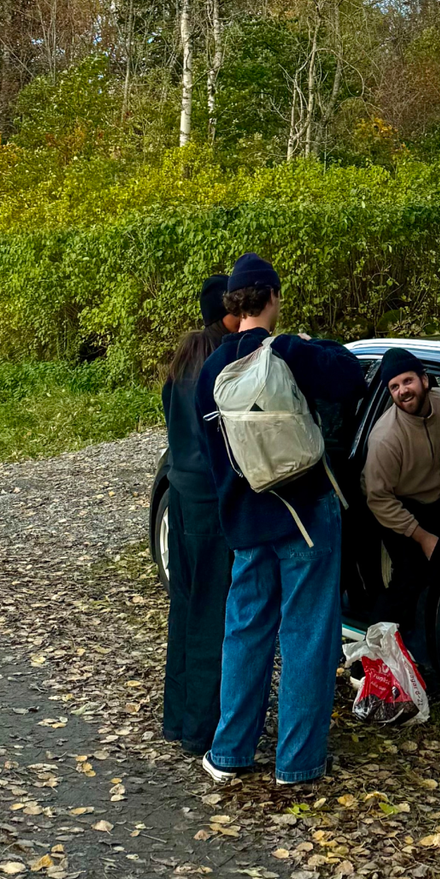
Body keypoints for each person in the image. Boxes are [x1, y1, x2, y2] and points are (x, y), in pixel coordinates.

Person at [195, 253, 365, 786]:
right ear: (271, 297)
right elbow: (351, 378)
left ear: (233, 305)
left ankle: (229, 753)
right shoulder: (288, 352)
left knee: (245, 634)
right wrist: (316, 344)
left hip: (246, 524)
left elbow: (212, 451)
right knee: (307, 636)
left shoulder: (210, 372)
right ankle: (296, 763)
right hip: (305, 516)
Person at [161, 275, 242, 756]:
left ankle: (178, 718)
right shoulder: (223, 364)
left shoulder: (182, 362)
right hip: (212, 504)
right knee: (213, 614)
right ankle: (203, 730)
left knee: (185, 609)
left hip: (180, 497)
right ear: (228, 312)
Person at [362, 347, 440, 638]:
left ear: (425, 381)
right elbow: (379, 498)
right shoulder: (386, 439)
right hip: (399, 506)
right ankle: (377, 649)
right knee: (410, 577)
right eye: (394, 387)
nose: (403, 391)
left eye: (407, 381)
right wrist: (422, 536)